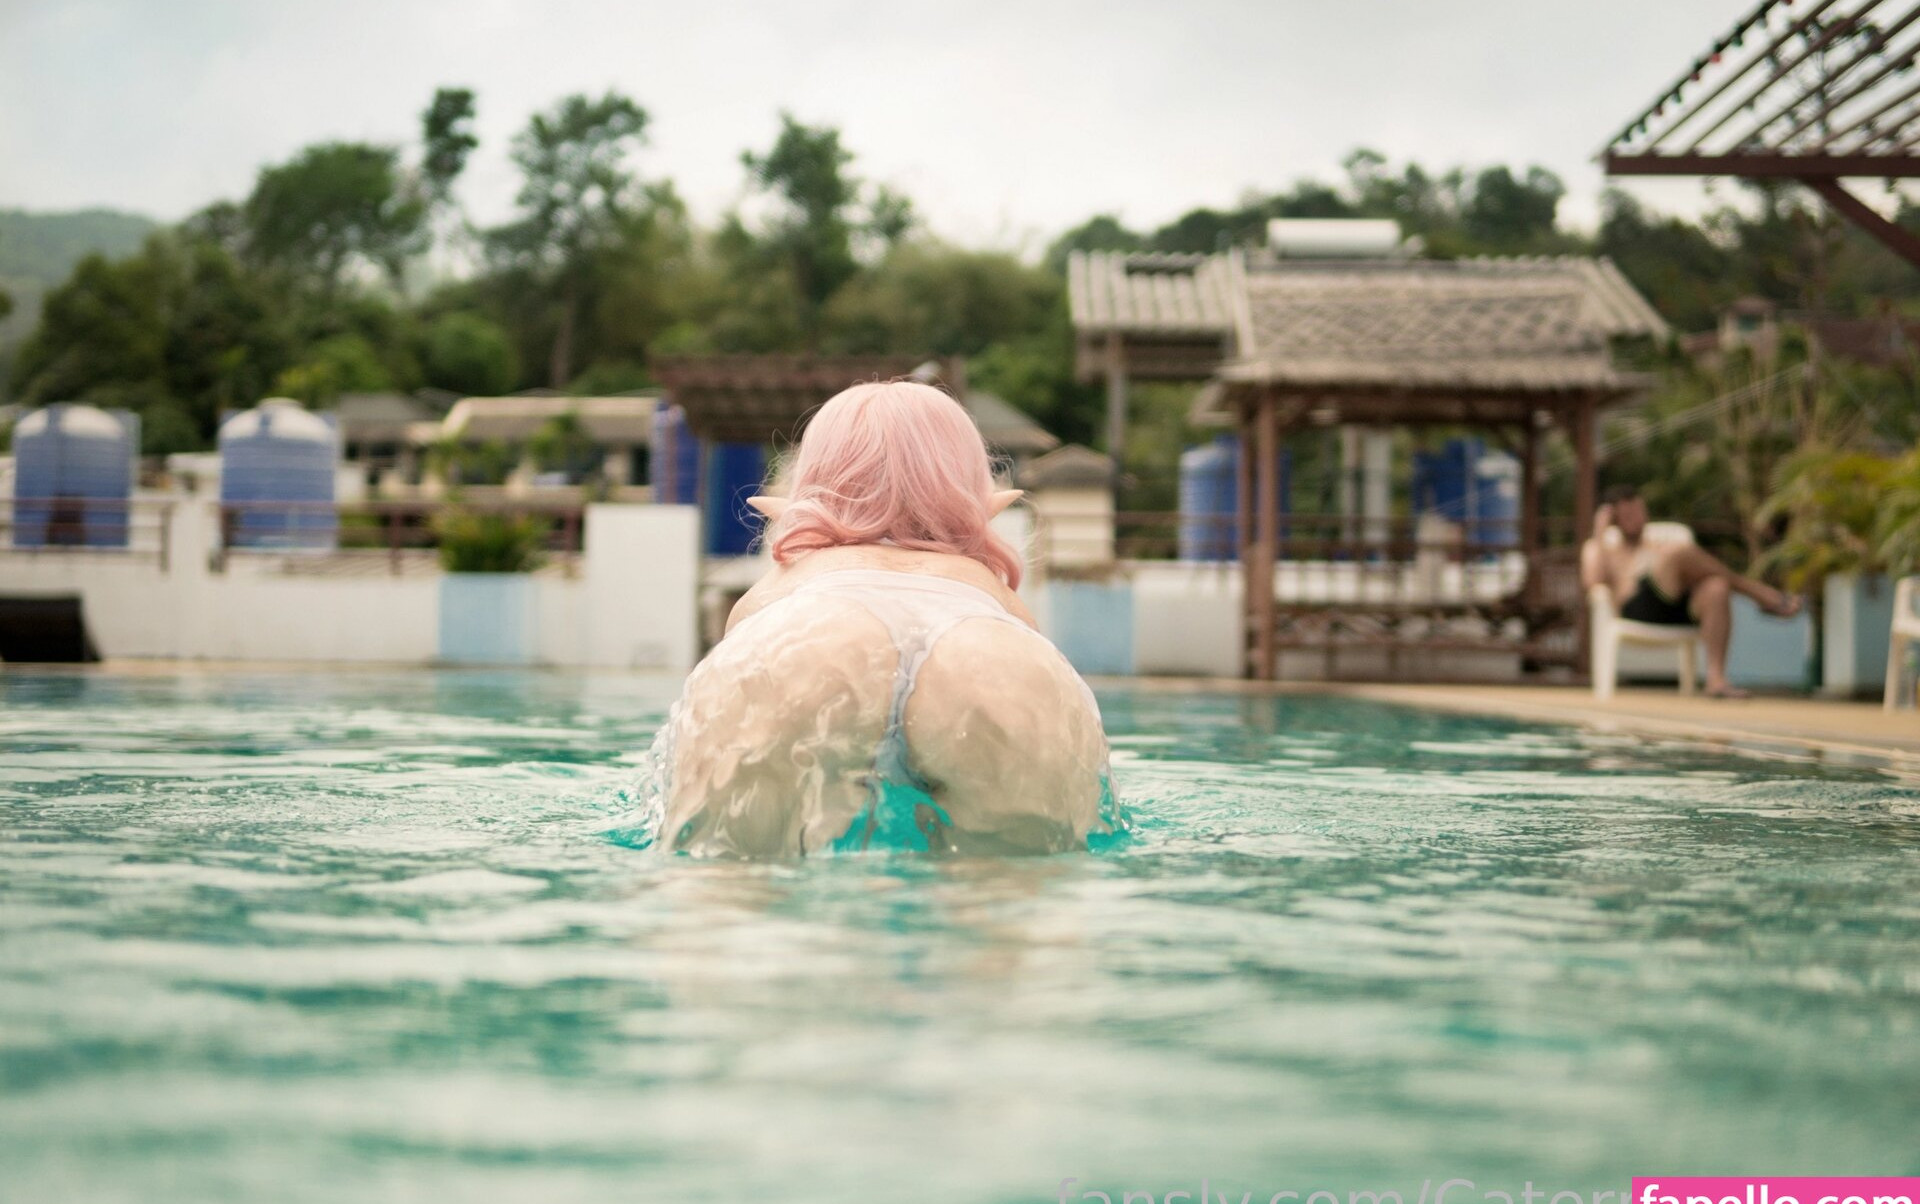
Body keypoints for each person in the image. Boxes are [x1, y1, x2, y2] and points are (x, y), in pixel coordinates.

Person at [651, 379, 1115, 858]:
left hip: (807, 634)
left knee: (718, 894)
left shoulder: (776, 589)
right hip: (986, 648)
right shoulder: (998, 599)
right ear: (982, 497)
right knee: (1015, 898)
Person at [1580, 483, 1802, 699]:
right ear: (1614, 518)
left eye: (1640, 511)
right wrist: (1600, 531)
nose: (1637, 518)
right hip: (1637, 608)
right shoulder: (1601, 548)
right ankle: (1757, 593)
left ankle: (1716, 680)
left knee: (1716, 586)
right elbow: (1593, 582)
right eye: (1629, 514)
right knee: (1677, 552)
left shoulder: (1657, 544)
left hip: (1678, 608)